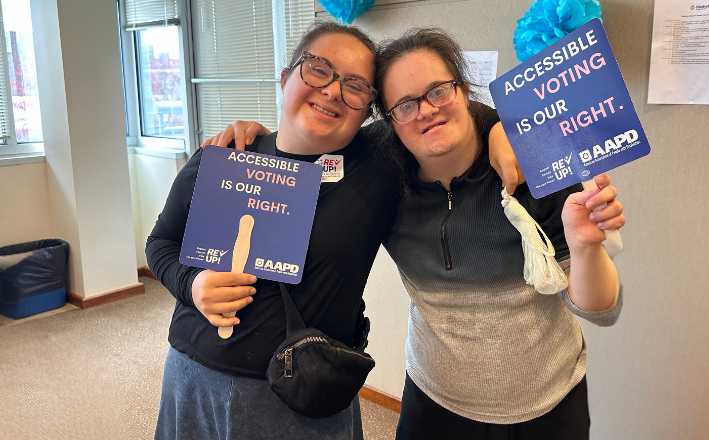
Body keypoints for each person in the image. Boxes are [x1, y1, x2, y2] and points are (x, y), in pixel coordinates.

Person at [214, 28, 625, 439]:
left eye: (439, 92)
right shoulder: (381, 176)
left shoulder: (533, 167)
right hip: (433, 404)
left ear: (463, 91)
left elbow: (601, 311)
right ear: (390, 122)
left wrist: (586, 247)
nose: (425, 111)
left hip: (547, 407)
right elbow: (310, 141)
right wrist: (258, 140)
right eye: (404, 105)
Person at [147, 22, 513, 440]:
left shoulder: (378, 162)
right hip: (195, 378)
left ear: (369, 110)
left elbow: (444, 110)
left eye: (356, 86)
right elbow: (161, 242)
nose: (334, 90)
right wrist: (191, 284)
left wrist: (500, 130)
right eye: (318, 70)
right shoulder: (226, 157)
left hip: (306, 391)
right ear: (286, 79)